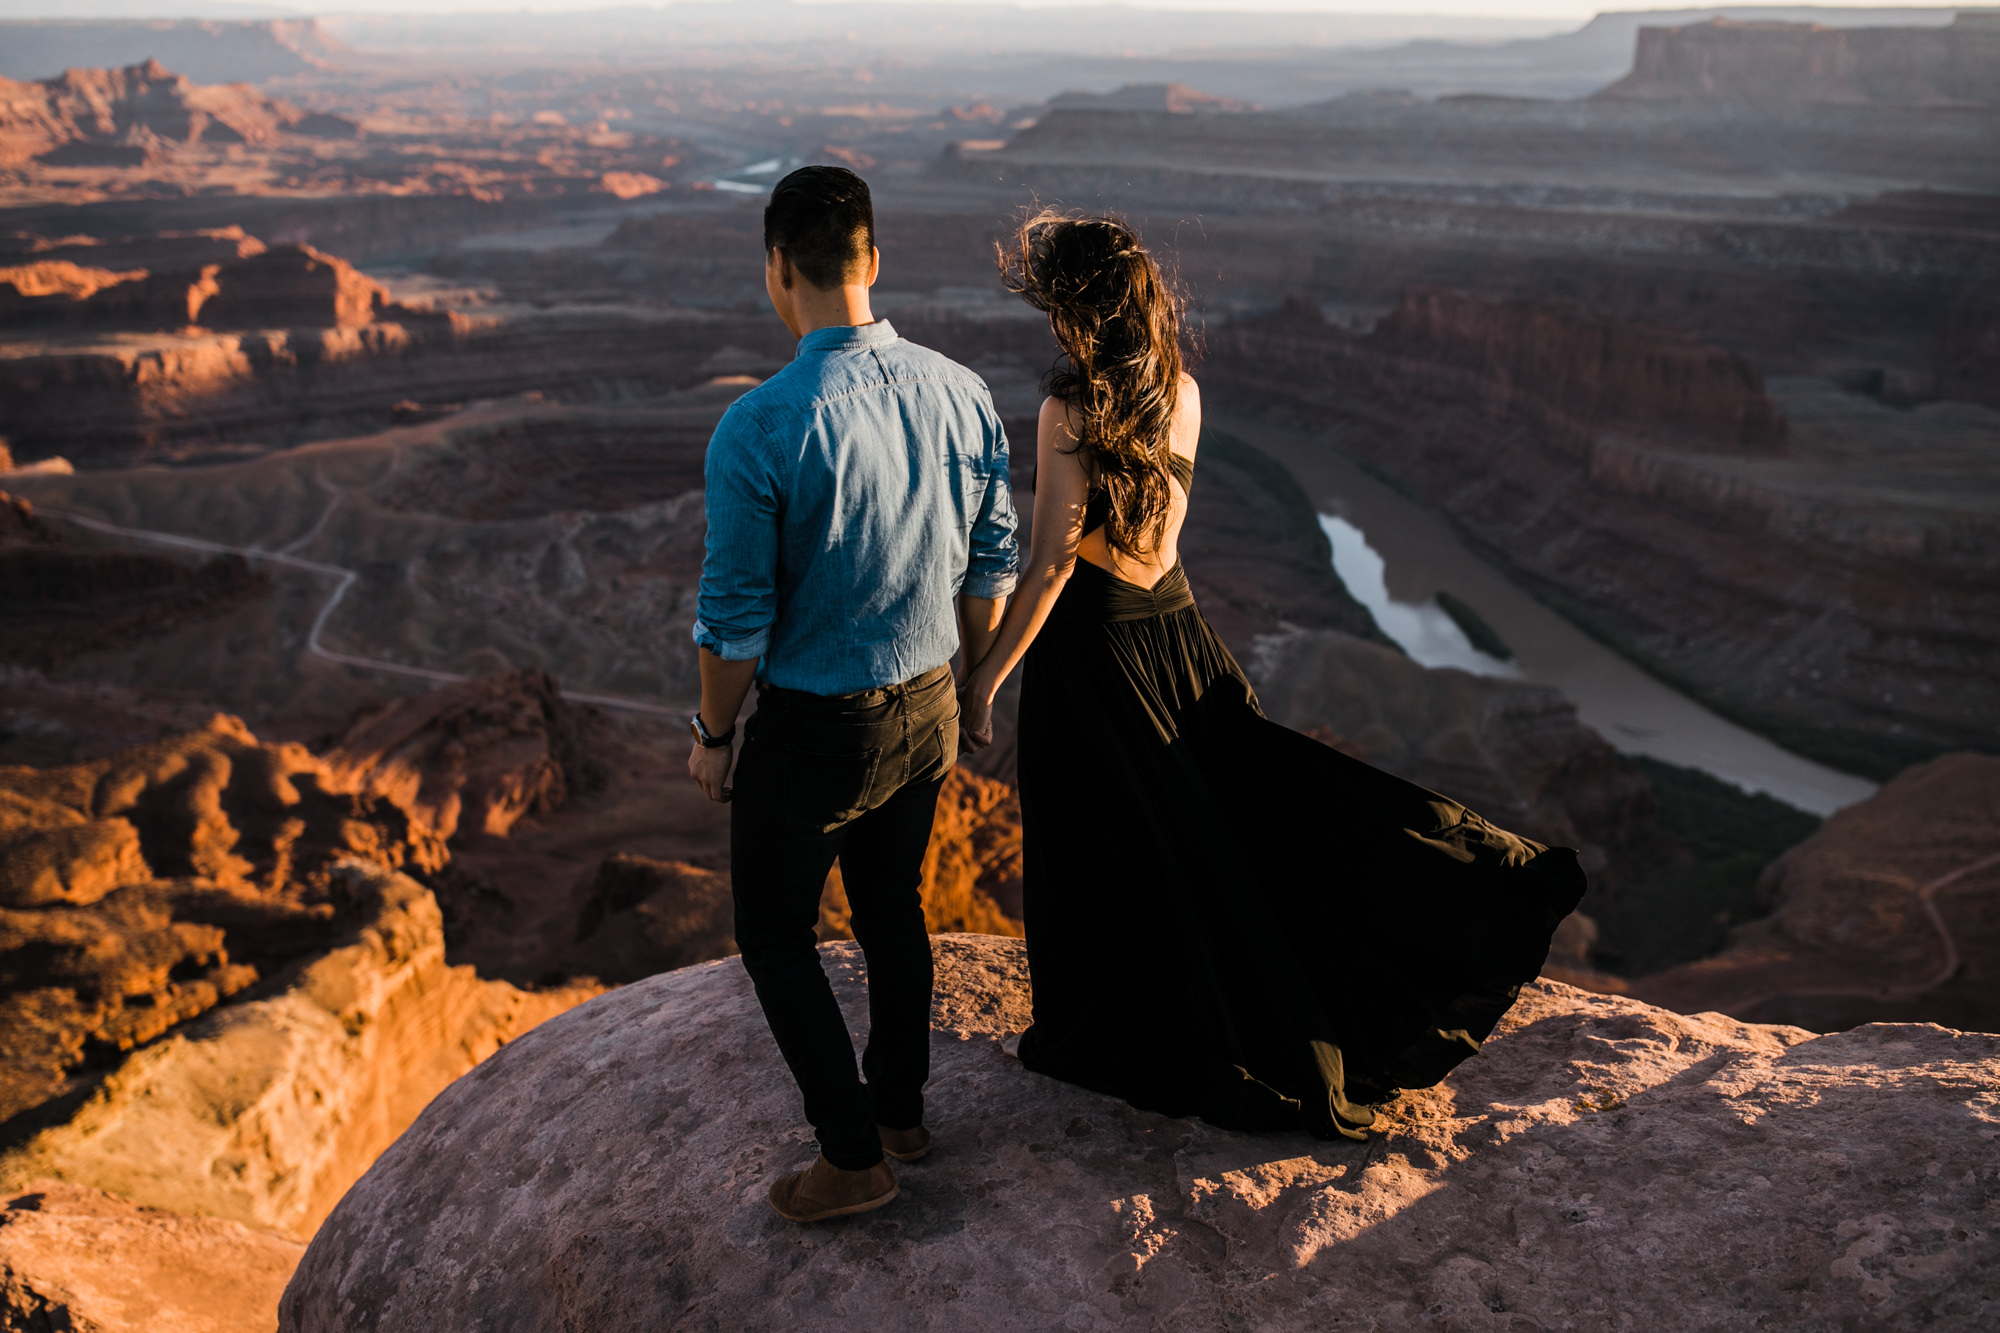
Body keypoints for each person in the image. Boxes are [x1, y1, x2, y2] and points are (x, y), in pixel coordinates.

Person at [958, 212, 1585, 1140]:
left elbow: (1053, 564)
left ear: (1074, 310)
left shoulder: (1067, 412)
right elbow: (1161, 533)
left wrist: (984, 680)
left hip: (1095, 648)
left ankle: (1102, 1028)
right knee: (1216, 832)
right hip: (1175, 630)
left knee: (1099, 841)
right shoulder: (1183, 392)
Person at [689, 166, 1018, 1221]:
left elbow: (734, 618)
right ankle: (902, 1114)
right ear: (873, 262)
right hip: (926, 703)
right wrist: (970, 689)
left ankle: (849, 1156)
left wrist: (711, 733)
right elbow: (989, 564)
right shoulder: (960, 389)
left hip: (814, 729)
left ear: (776, 269)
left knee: (776, 934)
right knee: (890, 910)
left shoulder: (760, 424)